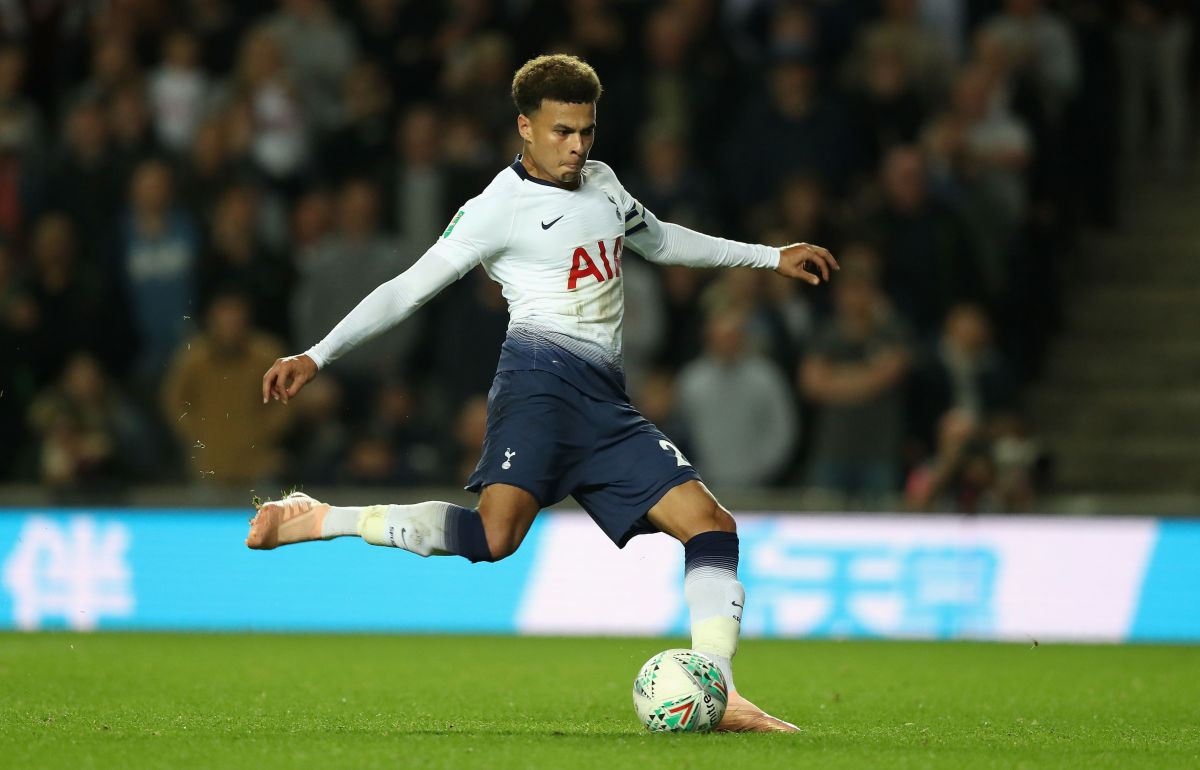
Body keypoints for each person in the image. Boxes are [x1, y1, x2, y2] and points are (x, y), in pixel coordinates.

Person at [247, 54, 837, 732]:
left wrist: (770, 255)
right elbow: (407, 287)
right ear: (524, 127)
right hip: (538, 388)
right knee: (494, 539)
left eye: (587, 130)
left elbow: (665, 241)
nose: (578, 146)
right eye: (562, 132)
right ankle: (322, 518)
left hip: (605, 403)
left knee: (712, 527)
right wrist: (317, 354)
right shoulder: (496, 208)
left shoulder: (604, 182)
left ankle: (722, 690)